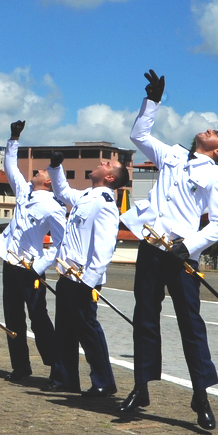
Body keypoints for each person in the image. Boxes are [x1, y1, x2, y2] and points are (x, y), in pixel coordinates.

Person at [118, 70, 218, 430]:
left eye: (217, 133)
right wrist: (152, 102)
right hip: (151, 247)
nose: (209, 129)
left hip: (182, 256)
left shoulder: (215, 177)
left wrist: (189, 246)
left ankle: (201, 395)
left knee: (190, 325)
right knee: (144, 318)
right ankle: (140, 387)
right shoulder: (173, 156)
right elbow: (139, 135)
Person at [45, 149, 125, 399]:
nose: (102, 162)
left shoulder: (105, 202)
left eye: (108, 163)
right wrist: (56, 167)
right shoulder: (88, 195)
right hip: (68, 275)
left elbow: (104, 245)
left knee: (88, 330)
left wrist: (89, 280)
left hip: (82, 277)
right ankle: (65, 379)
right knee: (65, 330)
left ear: (110, 178)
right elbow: (63, 192)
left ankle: (104, 381)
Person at [0, 121, 64, 381]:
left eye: (38, 171)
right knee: (12, 318)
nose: (35, 171)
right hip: (10, 263)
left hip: (31, 268)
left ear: (47, 181)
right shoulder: (24, 192)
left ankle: (56, 366)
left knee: (39, 319)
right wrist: (14, 137)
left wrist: (41, 266)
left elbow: (60, 242)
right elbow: (9, 167)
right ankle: (20, 367)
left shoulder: (53, 206)